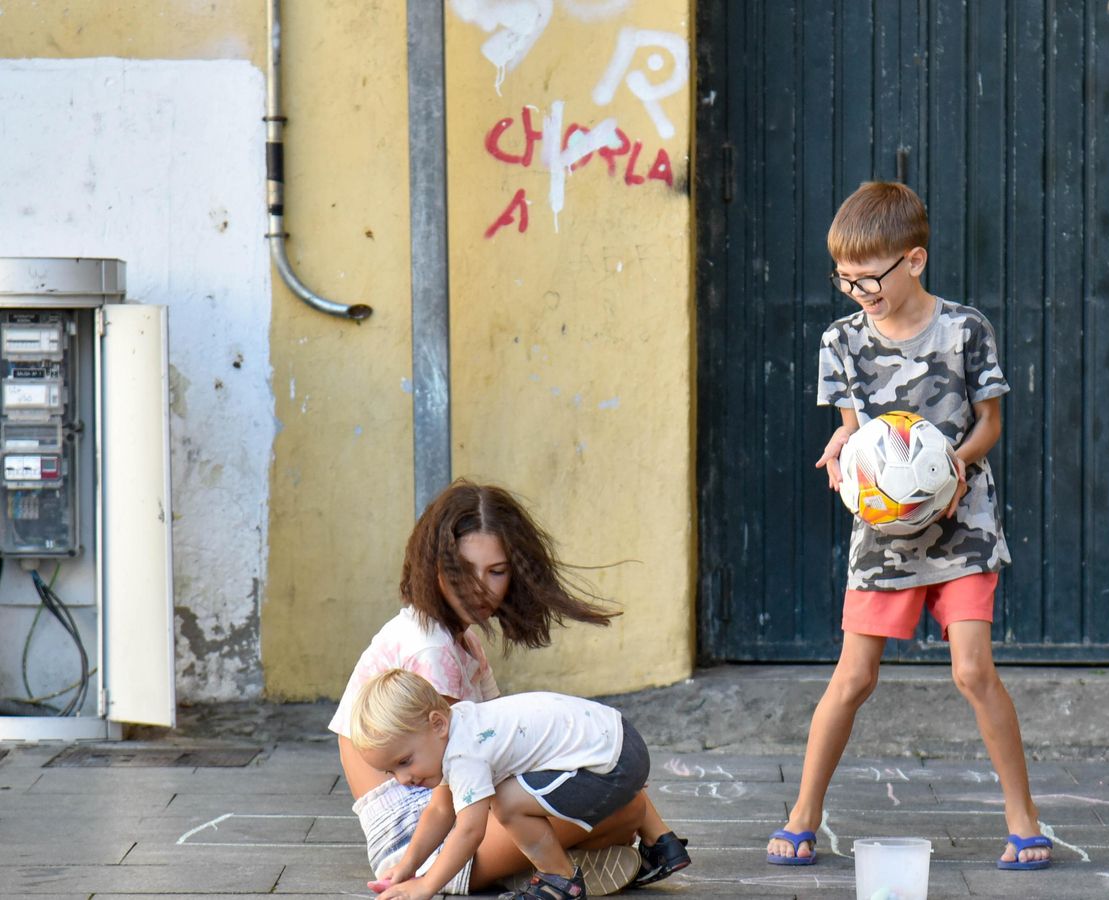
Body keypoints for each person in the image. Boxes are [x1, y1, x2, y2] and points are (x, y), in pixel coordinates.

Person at [764, 181, 1051, 871]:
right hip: (884, 535)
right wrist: (842, 449)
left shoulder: (965, 329)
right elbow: (855, 434)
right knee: (853, 677)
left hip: (963, 524)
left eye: (869, 279)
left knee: (973, 671)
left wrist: (953, 466)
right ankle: (803, 813)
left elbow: (991, 424)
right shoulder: (840, 342)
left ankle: (1025, 820)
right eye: (845, 280)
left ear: (914, 261)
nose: (858, 292)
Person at [327, 480, 687, 893]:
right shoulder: (429, 648)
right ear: (434, 567)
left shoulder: (459, 640)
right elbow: (454, 791)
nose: (482, 588)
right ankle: (554, 868)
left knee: (600, 797)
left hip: (446, 814)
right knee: (621, 807)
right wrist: (421, 882)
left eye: (497, 572)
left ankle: (542, 864)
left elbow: (500, 743)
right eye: (464, 572)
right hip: (419, 837)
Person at [349, 668, 690, 900]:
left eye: (404, 761)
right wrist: (407, 868)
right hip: (620, 738)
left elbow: (469, 832)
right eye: (391, 773)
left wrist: (426, 886)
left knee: (507, 802)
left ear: (437, 723)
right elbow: (440, 811)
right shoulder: (461, 725)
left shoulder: (464, 754)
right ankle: (663, 845)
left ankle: (559, 878)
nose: (404, 780)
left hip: (615, 762)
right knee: (510, 794)